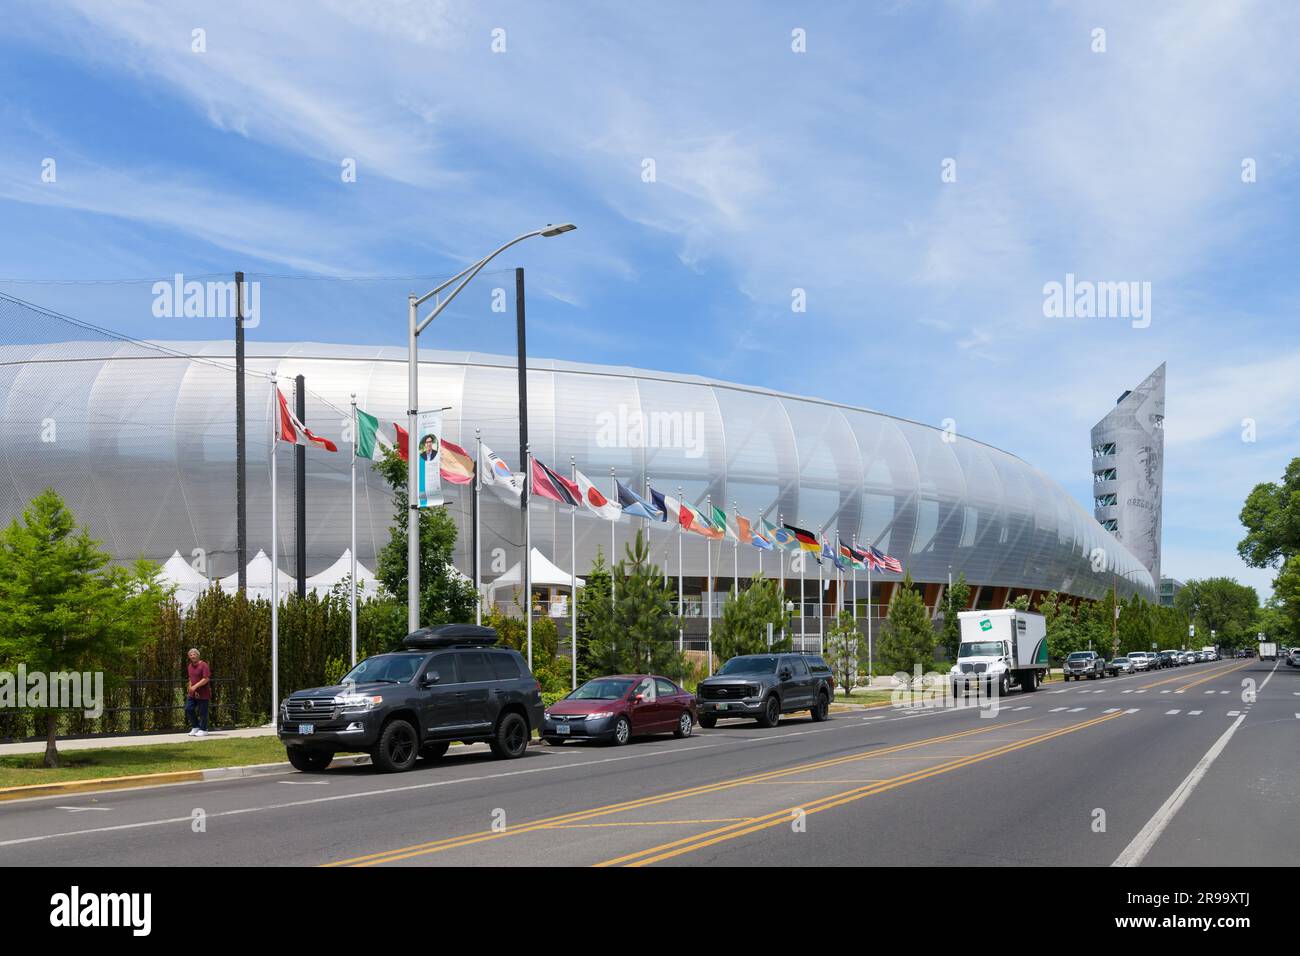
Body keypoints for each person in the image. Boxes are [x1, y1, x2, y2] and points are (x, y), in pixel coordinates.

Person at [185, 648, 212, 737]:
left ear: (198, 655)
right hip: (192, 693)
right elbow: (190, 678)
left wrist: (195, 687)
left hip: (203, 693)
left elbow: (206, 678)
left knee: (202, 712)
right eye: (191, 655)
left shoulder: (204, 665)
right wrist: (190, 688)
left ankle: (204, 729)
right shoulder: (189, 666)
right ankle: (196, 726)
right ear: (189, 657)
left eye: (194, 654)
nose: (193, 656)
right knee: (188, 709)